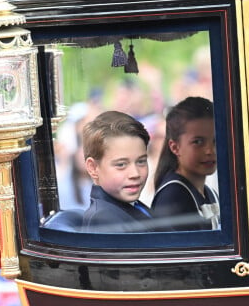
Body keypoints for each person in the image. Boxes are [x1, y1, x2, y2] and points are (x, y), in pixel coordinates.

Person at [151, 96, 220, 231]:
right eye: (198, 142)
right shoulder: (173, 197)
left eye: (215, 141)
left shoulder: (209, 192)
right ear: (175, 147)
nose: (210, 151)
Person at [81, 111, 154, 233]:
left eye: (141, 161)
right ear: (93, 168)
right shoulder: (104, 221)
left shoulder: (130, 206)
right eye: (121, 165)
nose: (135, 174)